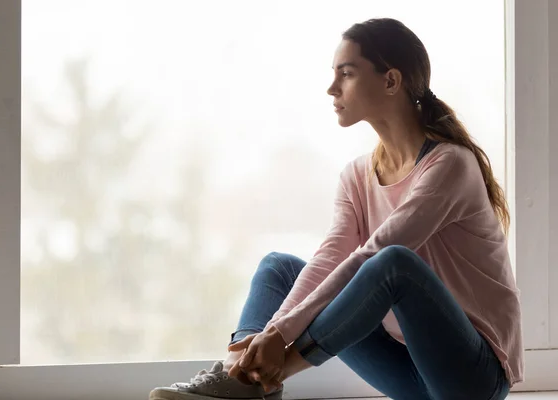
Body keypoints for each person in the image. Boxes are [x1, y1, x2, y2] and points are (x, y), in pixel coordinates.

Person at [149, 17, 523, 400]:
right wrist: (274, 332)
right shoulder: (356, 176)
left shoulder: (449, 165)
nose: (331, 88)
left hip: (472, 379)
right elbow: (330, 258)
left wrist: (283, 340)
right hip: (407, 372)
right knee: (279, 268)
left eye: (346, 73)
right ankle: (241, 379)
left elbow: (374, 256)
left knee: (392, 264)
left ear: (391, 81)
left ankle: (269, 375)